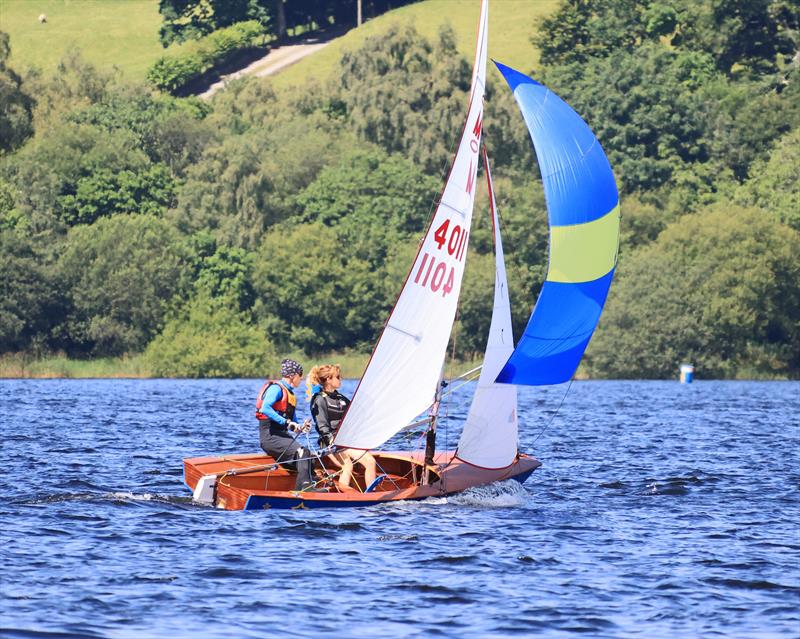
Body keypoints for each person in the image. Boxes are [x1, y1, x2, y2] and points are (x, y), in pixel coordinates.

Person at [306, 364, 377, 491]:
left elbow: (356, 416)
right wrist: (331, 440)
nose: (340, 379)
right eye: (337, 377)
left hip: (346, 441)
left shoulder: (341, 398)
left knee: (370, 462)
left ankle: (371, 494)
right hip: (330, 443)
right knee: (347, 466)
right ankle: (344, 496)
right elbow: (322, 426)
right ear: (328, 379)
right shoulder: (319, 400)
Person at [255, 358, 319, 491]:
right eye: (299, 376)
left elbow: (293, 425)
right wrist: (287, 423)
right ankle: (304, 489)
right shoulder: (276, 389)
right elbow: (265, 408)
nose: (300, 380)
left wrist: (301, 427)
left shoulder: (290, 395)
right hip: (270, 436)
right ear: (292, 376)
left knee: (308, 457)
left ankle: (310, 484)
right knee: (302, 452)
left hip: (281, 435)